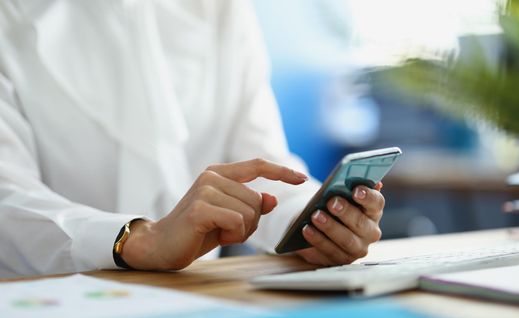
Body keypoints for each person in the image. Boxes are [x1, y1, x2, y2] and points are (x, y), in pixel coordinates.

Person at [0, 0, 384, 277]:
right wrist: (139, 240)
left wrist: (316, 226)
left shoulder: (222, 9)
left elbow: (261, 167)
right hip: (45, 313)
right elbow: (7, 198)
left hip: (196, 304)